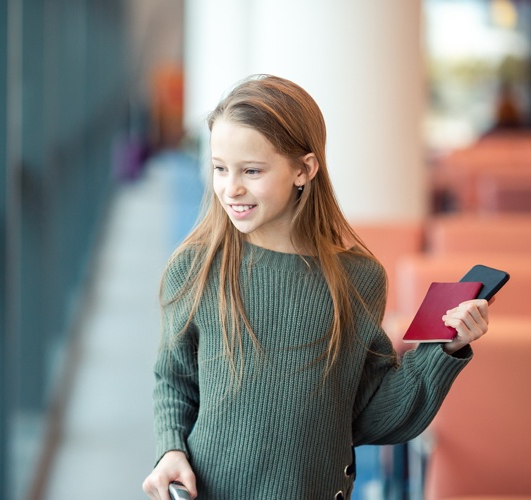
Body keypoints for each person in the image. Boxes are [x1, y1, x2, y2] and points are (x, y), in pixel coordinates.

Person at [141, 75, 491, 499]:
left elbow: (368, 413)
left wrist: (444, 350)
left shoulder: (358, 280)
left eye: (251, 171)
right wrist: (170, 449)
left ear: (304, 169)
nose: (230, 188)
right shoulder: (196, 268)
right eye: (219, 169)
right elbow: (174, 379)